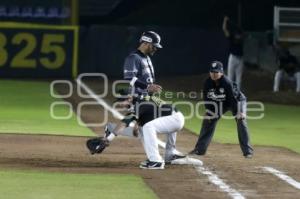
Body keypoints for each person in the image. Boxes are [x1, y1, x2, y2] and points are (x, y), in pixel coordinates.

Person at [189, 61, 253, 158]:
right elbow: (207, 99)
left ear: (221, 73)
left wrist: (240, 112)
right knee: (208, 120)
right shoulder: (207, 83)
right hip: (220, 103)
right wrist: (209, 112)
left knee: (241, 121)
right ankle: (200, 149)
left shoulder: (227, 83)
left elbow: (234, 99)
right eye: (212, 72)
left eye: (216, 72)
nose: (214, 74)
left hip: (236, 102)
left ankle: (248, 151)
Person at [223, 16, 244, 89]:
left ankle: (237, 95)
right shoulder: (232, 35)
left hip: (240, 58)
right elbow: (224, 29)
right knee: (230, 78)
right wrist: (225, 21)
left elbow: (241, 35)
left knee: (239, 79)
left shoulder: (241, 34)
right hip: (233, 57)